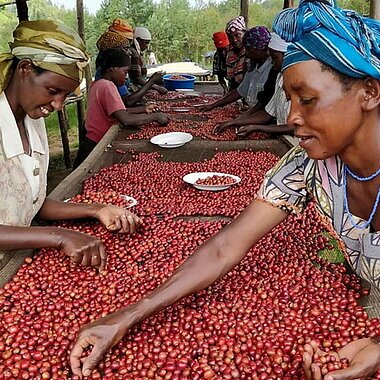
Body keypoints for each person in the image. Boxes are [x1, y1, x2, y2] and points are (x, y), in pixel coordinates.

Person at [70, 0, 380, 377]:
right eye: (292, 99)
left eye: (308, 99)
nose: (293, 116)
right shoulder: (309, 167)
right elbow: (223, 248)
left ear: (369, 92)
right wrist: (127, 315)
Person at [0, 20, 142, 274]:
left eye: (64, 96)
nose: (57, 105)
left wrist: (97, 210)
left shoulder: (33, 122)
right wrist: (59, 237)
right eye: (53, 90)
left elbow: (30, 203)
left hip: (16, 265)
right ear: (24, 69)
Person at [73, 48, 168, 169]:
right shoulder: (108, 86)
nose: (126, 76)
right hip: (97, 144)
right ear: (113, 68)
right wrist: (155, 116)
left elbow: (117, 111)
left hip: (90, 139)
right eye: (125, 71)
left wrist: (144, 109)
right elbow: (126, 119)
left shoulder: (97, 83)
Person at [218, 33, 294, 137]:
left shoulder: (302, 83)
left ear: (287, 55)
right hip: (283, 137)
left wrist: (256, 127)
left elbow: (297, 127)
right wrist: (234, 122)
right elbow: (267, 113)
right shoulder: (280, 78)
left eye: (275, 58)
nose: (272, 62)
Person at [202, 26, 277, 121]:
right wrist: (214, 105)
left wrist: (246, 116)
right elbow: (240, 91)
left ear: (259, 48)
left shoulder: (273, 69)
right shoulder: (253, 66)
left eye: (249, 50)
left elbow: (266, 102)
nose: (247, 54)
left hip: (262, 118)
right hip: (251, 115)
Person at [96, 19, 164, 107]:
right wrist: (151, 82)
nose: (128, 51)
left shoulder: (109, 65)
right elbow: (127, 102)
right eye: (125, 47)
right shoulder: (110, 75)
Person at [128, 26, 167, 95]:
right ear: (138, 40)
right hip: (133, 91)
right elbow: (137, 78)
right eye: (146, 43)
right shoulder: (134, 53)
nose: (147, 46)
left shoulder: (138, 53)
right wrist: (157, 87)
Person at [225, 16, 247, 91]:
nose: (234, 40)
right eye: (230, 37)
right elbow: (233, 82)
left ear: (244, 33)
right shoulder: (230, 53)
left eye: (237, 35)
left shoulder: (251, 52)